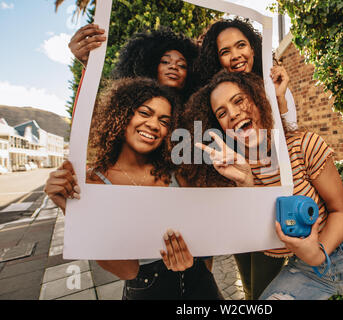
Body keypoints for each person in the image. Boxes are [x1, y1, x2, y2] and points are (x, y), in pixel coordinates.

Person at [183, 70, 343, 300]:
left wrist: (318, 253)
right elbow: (259, 236)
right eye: (221, 113)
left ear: (259, 99)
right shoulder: (230, 172)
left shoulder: (304, 146)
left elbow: (341, 211)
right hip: (304, 269)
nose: (232, 113)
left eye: (239, 100)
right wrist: (246, 182)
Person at [44, 77, 223, 300]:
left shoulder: (176, 172)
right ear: (123, 114)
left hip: (201, 286)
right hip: (148, 289)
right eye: (145, 113)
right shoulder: (96, 182)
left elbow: (206, 228)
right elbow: (127, 270)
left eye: (164, 121)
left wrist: (198, 260)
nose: (154, 125)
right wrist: (71, 209)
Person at [195, 18, 298, 132]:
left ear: (252, 49)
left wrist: (279, 99)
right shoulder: (213, 102)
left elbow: (291, 138)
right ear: (217, 60)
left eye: (241, 45)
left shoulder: (276, 89)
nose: (235, 55)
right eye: (225, 52)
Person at [69, 24, 199, 101]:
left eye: (182, 65)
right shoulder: (124, 106)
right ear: (150, 67)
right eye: (165, 61)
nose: (174, 66)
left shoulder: (195, 114)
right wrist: (90, 65)